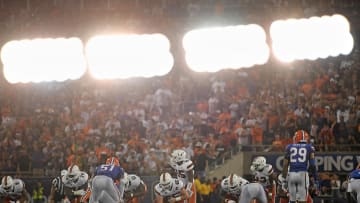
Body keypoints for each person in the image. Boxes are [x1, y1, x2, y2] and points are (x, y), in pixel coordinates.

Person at [278, 130, 317, 203]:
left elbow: (285, 165)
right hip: (303, 174)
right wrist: (316, 178)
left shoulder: (289, 147)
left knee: (292, 200)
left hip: (292, 174)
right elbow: (313, 165)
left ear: (296, 138)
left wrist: (283, 178)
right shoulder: (309, 147)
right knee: (303, 200)